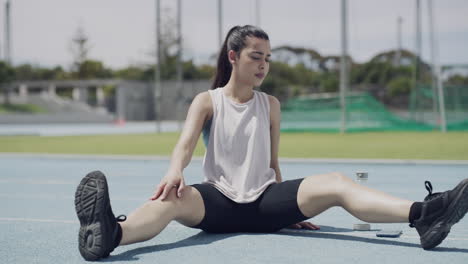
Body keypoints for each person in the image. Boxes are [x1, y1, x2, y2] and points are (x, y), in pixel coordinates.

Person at [74, 25, 468, 261]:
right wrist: (176, 170)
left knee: (335, 182)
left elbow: (273, 163)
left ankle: (425, 215)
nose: (263, 65)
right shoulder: (206, 101)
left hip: (265, 203)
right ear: (233, 57)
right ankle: (111, 235)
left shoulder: (272, 105)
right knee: (169, 198)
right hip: (217, 203)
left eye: (268, 58)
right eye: (255, 56)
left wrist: (289, 207)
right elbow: (184, 145)